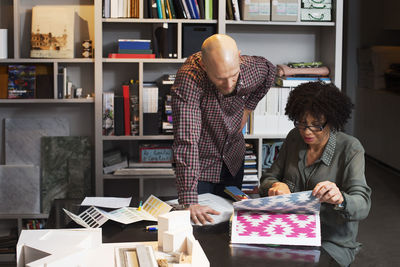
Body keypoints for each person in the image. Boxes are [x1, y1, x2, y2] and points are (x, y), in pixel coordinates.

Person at [259, 82, 371, 267]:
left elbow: (363, 205)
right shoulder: (294, 137)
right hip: (289, 231)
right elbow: (268, 178)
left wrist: (340, 199)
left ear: (332, 121)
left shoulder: (350, 148)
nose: (306, 131)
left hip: (330, 242)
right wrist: (274, 186)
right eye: (302, 123)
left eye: (316, 125)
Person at [171, 34, 276, 225]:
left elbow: (270, 71)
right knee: (200, 224)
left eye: (233, 76)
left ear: (239, 57)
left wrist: (247, 109)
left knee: (230, 223)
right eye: (220, 79)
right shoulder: (189, 78)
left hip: (233, 159)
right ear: (204, 65)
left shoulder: (252, 67)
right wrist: (189, 201)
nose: (229, 85)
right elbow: (187, 140)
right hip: (201, 164)